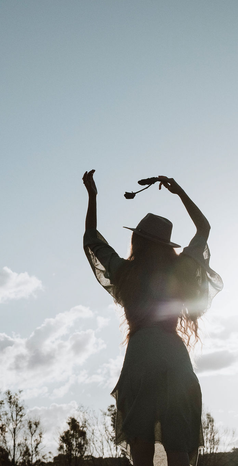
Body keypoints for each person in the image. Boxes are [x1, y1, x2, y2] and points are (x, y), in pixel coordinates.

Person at [82, 171, 222, 466]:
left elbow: (92, 239)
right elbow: (204, 228)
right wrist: (179, 191)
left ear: (137, 240)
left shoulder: (124, 272)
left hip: (141, 353)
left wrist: (92, 197)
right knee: (177, 439)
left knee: (141, 441)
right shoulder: (180, 270)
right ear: (166, 245)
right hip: (173, 353)